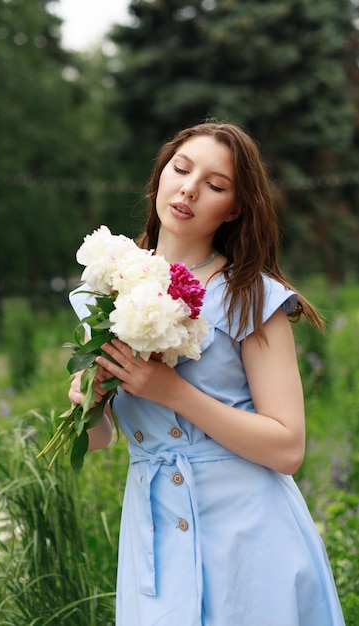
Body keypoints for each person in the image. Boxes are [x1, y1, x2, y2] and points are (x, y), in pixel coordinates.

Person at [68, 121, 345, 626]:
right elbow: (100, 440)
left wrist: (171, 392)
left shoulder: (249, 296)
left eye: (216, 185)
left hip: (247, 533)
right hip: (153, 532)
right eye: (181, 168)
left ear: (235, 208)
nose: (190, 188)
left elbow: (288, 448)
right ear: (160, 176)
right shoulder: (108, 289)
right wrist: (86, 404)